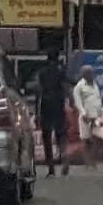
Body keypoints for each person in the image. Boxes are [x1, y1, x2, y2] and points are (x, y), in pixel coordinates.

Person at [34, 38, 71, 176]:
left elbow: (38, 90)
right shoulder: (61, 72)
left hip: (46, 104)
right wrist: (68, 103)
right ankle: (65, 158)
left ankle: (51, 167)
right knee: (61, 133)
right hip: (58, 103)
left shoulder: (42, 73)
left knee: (47, 136)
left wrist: (37, 112)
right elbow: (66, 88)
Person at [70, 62, 103, 163]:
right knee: (87, 140)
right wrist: (83, 114)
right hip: (85, 116)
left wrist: (102, 116)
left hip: (97, 115)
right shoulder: (79, 87)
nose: (92, 75)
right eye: (89, 73)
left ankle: (94, 158)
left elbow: (98, 100)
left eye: (92, 73)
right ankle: (88, 160)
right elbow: (78, 102)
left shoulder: (95, 85)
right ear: (84, 75)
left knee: (99, 138)